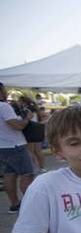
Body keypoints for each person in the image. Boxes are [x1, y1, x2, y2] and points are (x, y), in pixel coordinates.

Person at [0, 83, 35, 213]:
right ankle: (30, 205)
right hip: (15, 145)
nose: (6, 92)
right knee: (27, 174)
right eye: (4, 90)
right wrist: (27, 118)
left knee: (9, 174)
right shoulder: (3, 106)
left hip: (2, 146)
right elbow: (17, 126)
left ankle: (15, 204)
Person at [18, 95, 46, 173]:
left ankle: (34, 168)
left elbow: (22, 121)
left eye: (19, 101)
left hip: (30, 132)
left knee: (30, 151)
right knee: (38, 151)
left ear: (23, 102)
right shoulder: (35, 109)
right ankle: (41, 168)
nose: (18, 103)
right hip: (37, 131)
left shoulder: (26, 110)